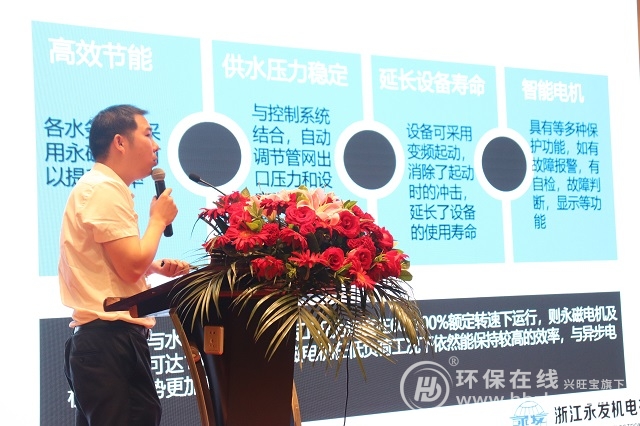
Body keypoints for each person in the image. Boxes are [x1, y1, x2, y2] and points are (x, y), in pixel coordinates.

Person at [59, 104, 190, 426]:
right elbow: (129, 269)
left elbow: (109, 262)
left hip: (103, 343)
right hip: (110, 341)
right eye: (148, 134)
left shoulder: (102, 187)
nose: (156, 145)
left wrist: (152, 267)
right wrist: (158, 221)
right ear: (120, 142)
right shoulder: (103, 189)